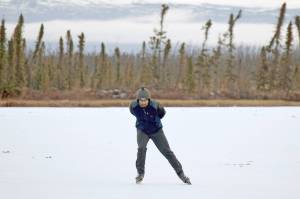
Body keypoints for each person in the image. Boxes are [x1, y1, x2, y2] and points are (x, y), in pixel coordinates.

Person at [129, 87, 191, 185]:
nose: (143, 102)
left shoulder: (155, 106)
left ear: (149, 100)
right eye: (141, 100)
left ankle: (181, 174)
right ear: (138, 100)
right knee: (141, 148)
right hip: (142, 130)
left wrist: (155, 121)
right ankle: (140, 174)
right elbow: (133, 113)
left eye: (145, 100)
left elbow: (162, 113)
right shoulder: (133, 106)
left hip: (156, 130)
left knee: (167, 151)